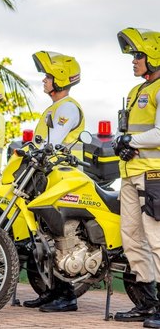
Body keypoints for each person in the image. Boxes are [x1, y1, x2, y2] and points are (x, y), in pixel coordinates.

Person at [23, 51, 85, 312]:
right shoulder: (54, 107)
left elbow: (54, 143)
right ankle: (52, 291)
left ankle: (67, 295)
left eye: (48, 76)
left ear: (60, 78)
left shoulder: (67, 107)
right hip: (49, 177)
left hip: (65, 178)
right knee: (45, 237)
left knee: (61, 235)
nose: (44, 81)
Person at [112, 27, 160, 328]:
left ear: (154, 56)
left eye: (138, 55)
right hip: (130, 174)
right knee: (131, 238)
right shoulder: (135, 92)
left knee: (156, 239)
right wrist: (123, 143)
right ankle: (147, 302)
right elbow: (130, 132)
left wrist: (130, 142)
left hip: (153, 175)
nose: (134, 60)